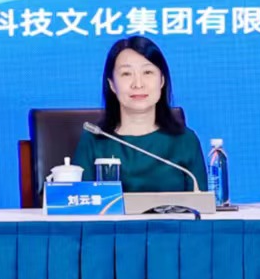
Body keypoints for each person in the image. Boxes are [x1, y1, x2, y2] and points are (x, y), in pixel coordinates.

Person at [71, 35, 208, 192]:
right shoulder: (94, 141)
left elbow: (201, 204)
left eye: (147, 72)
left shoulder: (185, 140)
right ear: (112, 84)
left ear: (162, 80)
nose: (138, 84)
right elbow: (79, 202)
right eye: (126, 74)